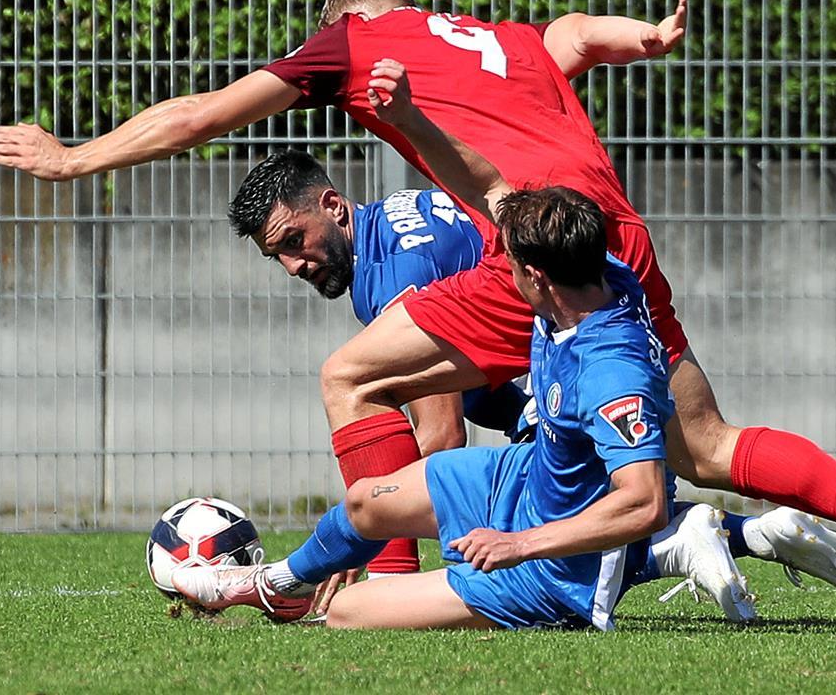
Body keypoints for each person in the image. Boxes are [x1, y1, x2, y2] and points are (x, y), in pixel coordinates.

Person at [0, 0, 836, 621]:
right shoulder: (498, 37)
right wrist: (642, 38)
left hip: (527, 252)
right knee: (710, 443)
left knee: (351, 374)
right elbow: (570, 38)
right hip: (612, 235)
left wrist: (73, 160)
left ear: (345, 23)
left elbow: (202, 113)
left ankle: (375, 583)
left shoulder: (355, 46)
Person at [227, 148, 836, 611]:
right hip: (591, 307)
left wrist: (388, 550)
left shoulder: (395, 277)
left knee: (350, 382)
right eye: (275, 254)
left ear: (334, 206)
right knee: (699, 450)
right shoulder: (391, 226)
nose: (291, 265)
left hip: (566, 325)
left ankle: (725, 532)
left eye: (294, 239)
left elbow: (442, 433)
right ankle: (758, 529)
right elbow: (481, 388)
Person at [177, 175, 758, 628]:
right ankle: (275, 581)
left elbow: (641, 500)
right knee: (364, 506)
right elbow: (488, 182)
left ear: (534, 275)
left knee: (351, 612)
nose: (489, 270)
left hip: (551, 550)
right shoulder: (589, 276)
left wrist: (516, 545)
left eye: (500, 263)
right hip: (525, 474)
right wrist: (403, 113)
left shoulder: (610, 370)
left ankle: (674, 549)